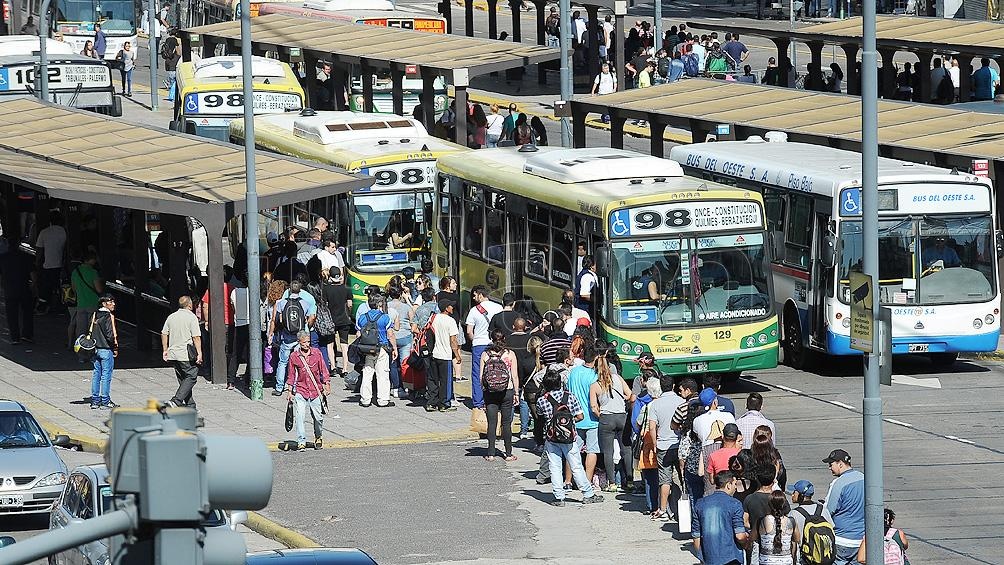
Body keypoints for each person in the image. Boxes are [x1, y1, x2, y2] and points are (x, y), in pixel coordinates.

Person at [536, 366, 604, 507]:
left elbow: (540, 417)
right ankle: (587, 494)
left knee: (554, 467)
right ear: (560, 382)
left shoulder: (542, 400)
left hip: (552, 438)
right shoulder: (570, 396)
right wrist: (570, 422)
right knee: (576, 466)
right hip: (569, 438)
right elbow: (580, 416)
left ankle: (559, 497)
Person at [589, 344, 635, 492]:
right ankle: (629, 481)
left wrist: (600, 414)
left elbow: (593, 407)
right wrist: (623, 402)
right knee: (626, 450)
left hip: (606, 418)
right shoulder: (618, 378)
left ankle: (612, 482)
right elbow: (630, 395)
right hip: (621, 416)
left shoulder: (595, 385)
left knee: (608, 452)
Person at [284, 330, 331, 452]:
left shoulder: (316, 353)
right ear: (299, 342)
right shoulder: (294, 356)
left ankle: (318, 436)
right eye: (304, 342)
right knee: (300, 416)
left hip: (316, 390)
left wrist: (327, 384)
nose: (307, 344)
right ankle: (301, 441)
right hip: (301, 390)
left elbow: (323, 370)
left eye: (308, 342)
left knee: (318, 417)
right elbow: (291, 375)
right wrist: (289, 391)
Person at [647, 373, 684, 521]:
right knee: (682, 477)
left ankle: (662, 510)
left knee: (665, 479)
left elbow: (652, 427)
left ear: (661, 387)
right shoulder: (681, 401)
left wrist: (655, 444)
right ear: (674, 386)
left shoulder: (655, 404)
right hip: (679, 444)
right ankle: (686, 505)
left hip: (663, 445)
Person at [270, 280, 316, 396]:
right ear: (300, 291)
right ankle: (295, 387)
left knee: (283, 362)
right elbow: (310, 317)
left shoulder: (282, 303)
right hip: (300, 335)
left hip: (287, 335)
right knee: (298, 361)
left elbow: (278, 319)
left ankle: (279, 387)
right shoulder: (305, 303)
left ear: (289, 290)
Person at [692, 471, 749, 565]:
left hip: (709, 558)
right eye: (735, 484)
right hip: (731, 558)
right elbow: (740, 536)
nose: (736, 487)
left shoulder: (700, 504)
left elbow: (696, 535)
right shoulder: (735, 504)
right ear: (728, 485)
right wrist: (747, 543)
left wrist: (702, 557)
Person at [567, 340, 601, 485]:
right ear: (596, 358)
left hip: (575, 417)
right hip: (592, 418)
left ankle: (568, 481)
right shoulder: (594, 375)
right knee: (592, 451)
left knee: (572, 451)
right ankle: (586, 482)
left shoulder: (573, 372)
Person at [481, 329, 518, 461]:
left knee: (492, 423)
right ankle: (508, 453)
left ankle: (491, 453)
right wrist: (516, 393)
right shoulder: (510, 354)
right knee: (506, 423)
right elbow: (514, 375)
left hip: (490, 392)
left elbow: (481, 377)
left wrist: (483, 393)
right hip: (507, 391)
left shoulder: (485, 355)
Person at [823, 449, 865, 565]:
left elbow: (828, 511)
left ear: (840, 464)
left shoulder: (838, 483)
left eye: (831, 464)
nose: (829, 468)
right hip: (862, 541)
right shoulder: (864, 478)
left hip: (842, 540)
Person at [356, 293, 397, 408]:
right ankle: (383, 400)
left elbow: (358, 334)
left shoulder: (362, 317)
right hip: (382, 348)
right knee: (382, 374)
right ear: (379, 304)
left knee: (367, 373)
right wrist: (394, 348)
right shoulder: (385, 317)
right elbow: (390, 334)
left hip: (367, 349)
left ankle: (365, 399)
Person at [162, 296, 202, 410]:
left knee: (183, 380)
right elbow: (196, 337)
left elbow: (164, 333)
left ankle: (190, 406)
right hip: (186, 354)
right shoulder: (191, 317)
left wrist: (165, 349)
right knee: (191, 377)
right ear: (190, 305)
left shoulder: (171, 317)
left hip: (173, 354)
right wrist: (199, 353)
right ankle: (176, 401)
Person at [466, 285, 503, 410]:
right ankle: (494, 400)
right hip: (495, 344)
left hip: (479, 344)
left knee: (478, 374)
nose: (473, 297)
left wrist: (475, 339)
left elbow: (469, 331)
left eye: (475, 295)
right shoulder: (498, 307)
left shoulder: (474, 310)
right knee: (496, 371)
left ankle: (478, 402)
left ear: (481, 295)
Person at [744, 467, 791, 564]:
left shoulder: (749, 499)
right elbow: (786, 519)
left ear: (758, 480)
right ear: (773, 479)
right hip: (778, 542)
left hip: (757, 544)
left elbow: (745, 522)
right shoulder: (780, 498)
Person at [426, 298, 462, 412]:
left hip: (434, 353)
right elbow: (453, 340)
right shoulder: (450, 321)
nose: (452, 308)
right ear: (446, 308)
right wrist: (457, 355)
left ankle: (432, 403)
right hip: (445, 355)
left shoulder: (434, 318)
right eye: (451, 306)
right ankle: (444, 404)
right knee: (446, 381)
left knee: (433, 380)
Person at [86, 295, 119, 409]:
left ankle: (95, 401)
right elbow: (110, 334)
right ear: (104, 303)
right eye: (110, 301)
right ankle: (105, 400)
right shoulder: (108, 316)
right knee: (106, 375)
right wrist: (115, 347)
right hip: (105, 349)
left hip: (95, 349)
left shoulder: (94, 314)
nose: (113, 304)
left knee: (96, 374)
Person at [752, 490, 799, 565]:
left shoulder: (761, 521)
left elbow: (752, 538)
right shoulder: (791, 522)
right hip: (786, 562)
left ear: (769, 505)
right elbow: (796, 540)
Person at [67, 252, 103, 349]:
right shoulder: (93, 272)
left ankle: (81, 352)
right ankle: (92, 348)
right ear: (90, 260)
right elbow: (99, 289)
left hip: (81, 304)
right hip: (93, 303)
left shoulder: (75, 272)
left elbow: (74, 289)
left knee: (81, 330)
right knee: (92, 329)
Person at [35, 213, 67, 314]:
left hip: (47, 265)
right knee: (59, 287)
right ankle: (60, 307)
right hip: (60, 265)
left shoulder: (44, 232)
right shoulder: (64, 232)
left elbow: (39, 250)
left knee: (46, 288)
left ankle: (43, 307)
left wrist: (37, 262)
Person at [323, 270, 353, 377]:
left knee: (330, 343)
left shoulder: (326, 289)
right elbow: (349, 304)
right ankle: (345, 368)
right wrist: (348, 313)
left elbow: (325, 304)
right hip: (344, 319)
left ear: (330, 276)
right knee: (344, 344)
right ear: (340, 276)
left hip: (331, 320)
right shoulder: (347, 288)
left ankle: (333, 367)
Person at [226, 276, 251, 390]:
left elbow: (233, 307)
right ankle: (248, 379)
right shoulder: (253, 292)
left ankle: (230, 380)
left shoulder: (234, 292)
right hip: (251, 323)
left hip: (239, 323)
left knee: (236, 353)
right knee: (251, 353)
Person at [162, 28, 182, 101]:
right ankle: (172, 96)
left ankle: (168, 84)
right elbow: (179, 52)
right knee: (174, 80)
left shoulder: (167, 40)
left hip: (167, 61)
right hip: (174, 61)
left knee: (172, 78)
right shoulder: (175, 41)